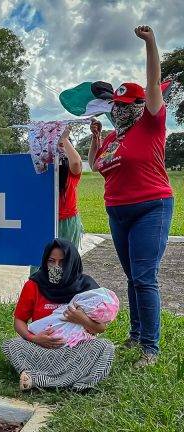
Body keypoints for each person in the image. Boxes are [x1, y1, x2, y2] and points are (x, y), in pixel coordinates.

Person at [88, 26, 173, 368]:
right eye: (117, 105)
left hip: (151, 207)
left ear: (140, 105)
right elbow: (96, 166)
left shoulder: (151, 124)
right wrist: (95, 137)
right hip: (117, 211)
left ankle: (150, 348)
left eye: (126, 104)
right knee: (131, 277)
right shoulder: (112, 137)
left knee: (144, 277)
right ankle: (135, 335)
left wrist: (151, 43)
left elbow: (153, 84)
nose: (120, 109)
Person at [2, 239, 116, 391]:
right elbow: (19, 321)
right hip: (41, 349)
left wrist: (81, 319)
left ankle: (39, 378)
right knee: (12, 345)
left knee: (105, 346)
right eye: (51, 261)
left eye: (62, 263)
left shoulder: (86, 286)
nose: (56, 267)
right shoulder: (34, 284)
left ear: (71, 263)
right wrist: (34, 338)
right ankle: (71, 379)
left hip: (75, 349)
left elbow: (100, 329)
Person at [57, 131, 84, 250]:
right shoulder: (44, 170)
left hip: (67, 221)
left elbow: (76, 162)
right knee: (42, 262)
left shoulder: (71, 172)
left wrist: (64, 139)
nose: (59, 149)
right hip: (45, 219)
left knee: (65, 261)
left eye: (62, 146)